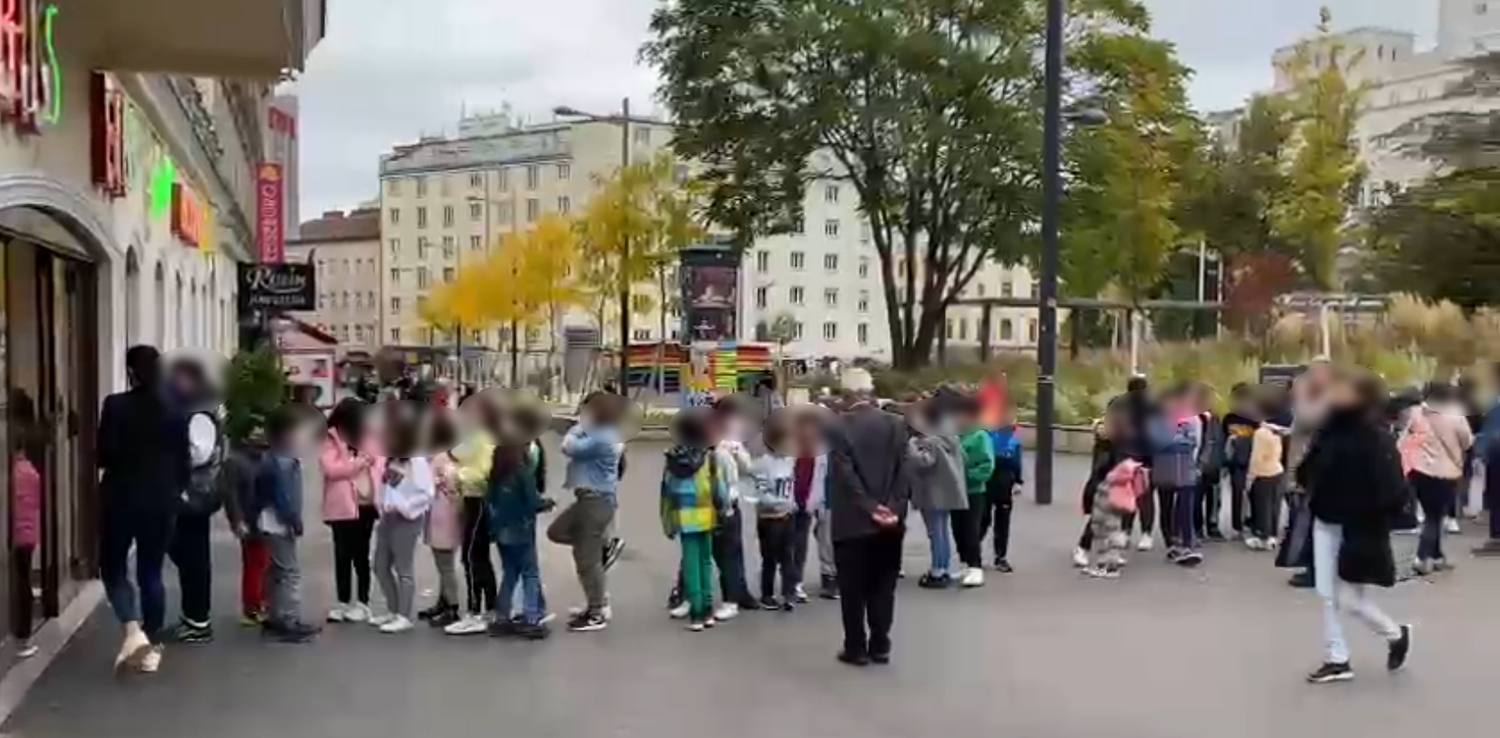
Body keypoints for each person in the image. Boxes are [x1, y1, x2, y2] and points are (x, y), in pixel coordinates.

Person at [1295, 369, 1412, 684]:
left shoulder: (1375, 437)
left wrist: (1371, 517)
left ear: (1361, 396)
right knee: (1327, 593)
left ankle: (1394, 632)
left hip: (1358, 528)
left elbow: (1393, 489)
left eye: (1343, 388)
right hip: (1325, 519)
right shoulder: (1329, 429)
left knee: (1348, 598)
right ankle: (1337, 657)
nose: (1335, 392)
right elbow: (1310, 466)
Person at [98, 346, 189, 674]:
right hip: (162, 500)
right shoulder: (176, 410)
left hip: (120, 497)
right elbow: (184, 462)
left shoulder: (116, 405)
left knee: (113, 567)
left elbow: (103, 454)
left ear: (131, 372)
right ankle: (151, 648)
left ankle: (132, 630)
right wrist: (175, 490)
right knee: (151, 571)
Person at [827, 389, 912, 666]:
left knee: (852, 591)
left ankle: (856, 647)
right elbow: (904, 470)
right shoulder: (896, 424)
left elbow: (844, 474)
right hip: (889, 525)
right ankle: (880, 644)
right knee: (883, 587)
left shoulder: (837, 427)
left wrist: (869, 506)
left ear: (848, 397)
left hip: (852, 523)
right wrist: (892, 508)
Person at [163, 358, 226, 645]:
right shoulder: (195, 410)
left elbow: (199, 453)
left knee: (192, 557)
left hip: (194, 495)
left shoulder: (199, 414)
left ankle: (198, 621)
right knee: (189, 556)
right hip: (191, 494)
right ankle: (194, 618)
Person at [551, 393, 626, 632]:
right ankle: (601, 548)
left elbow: (569, 447)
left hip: (595, 502)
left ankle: (596, 611)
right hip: (590, 500)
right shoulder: (603, 433)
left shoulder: (603, 436)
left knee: (587, 561)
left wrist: (577, 427)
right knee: (558, 532)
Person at [252, 407, 320, 643]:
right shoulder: (284, 461)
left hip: (267, 521)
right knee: (290, 572)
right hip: (279, 524)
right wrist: (294, 519)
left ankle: (274, 616)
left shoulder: (269, 457)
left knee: (276, 571)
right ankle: (289, 619)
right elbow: (283, 496)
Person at [370, 410, 436, 634]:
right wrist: (382, 504)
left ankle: (403, 615)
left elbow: (427, 492)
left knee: (403, 568)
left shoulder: (416, 460)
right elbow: (387, 486)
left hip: (406, 520)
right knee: (379, 565)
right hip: (387, 517)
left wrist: (404, 507)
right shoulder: (392, 457)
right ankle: (393, 609)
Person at [662, 414, 730, 631]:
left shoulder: (673, 459)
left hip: (684, 516)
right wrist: (724, 509)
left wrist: (667, 521)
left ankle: (697, 613)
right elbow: (720, 489)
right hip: (707, 514)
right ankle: (708, 610)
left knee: (690, 564)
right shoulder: (710, 458)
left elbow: (666, 492)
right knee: (705, 561)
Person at [321, 398, 381, 623]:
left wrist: (364, 460)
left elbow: (376, 460)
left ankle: (363, 603)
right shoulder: (331, 437)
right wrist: (357, 464)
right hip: (341, 504)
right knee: (342, 555)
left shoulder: (369, 436)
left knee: (361, 555)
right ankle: (343, 602)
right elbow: (331, 469)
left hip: (365, 504)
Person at [488, 440, 555, 639]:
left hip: (501, 529)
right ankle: (531, 618)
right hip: (522, 529)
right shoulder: (522, 472)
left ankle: (502, 617)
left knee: (509, 573)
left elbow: (489, 500)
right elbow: (532, 501)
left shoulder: (496, 473)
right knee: (530, 573)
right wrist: (547, 503)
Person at [444, 399, 499, 635]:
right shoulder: (476, 436)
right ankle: (490, 609)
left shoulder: (484, 438)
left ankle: (477, 612)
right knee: (478, 556)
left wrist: (457, 475)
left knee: (472, 557)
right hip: (471, 498)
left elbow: (484, 472)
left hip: (478, 499)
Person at [1407, 384, 1474, 575]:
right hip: (1445, 471)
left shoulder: (1416, 414)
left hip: (1418, 470)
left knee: (1431, 513)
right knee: (1434, 517)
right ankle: (1422, 557)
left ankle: (1436, 556)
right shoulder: (1455, 415)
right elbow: (1467, 441)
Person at [906, 400, 967, 589]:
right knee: (942, 532)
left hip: (931, 492)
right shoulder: (951, 436)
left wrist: (911, 446)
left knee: (935, 533)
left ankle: (937, 571)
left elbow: (924, 462)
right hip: (947, 491)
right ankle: (944, 567)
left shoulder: (929, 441)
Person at [219, 423, 268, 626]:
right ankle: (252, 607)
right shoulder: (235, 463)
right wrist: (237, 521)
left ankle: (260, 603)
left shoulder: (261, 459)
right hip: (251, 519)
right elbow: (230, 495)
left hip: (263, 519)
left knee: (262, 563)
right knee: (255, 564)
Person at [1153, 385, 1204, 567]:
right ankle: (1171, 544)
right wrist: (1181, 440)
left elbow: (1195, 442)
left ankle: (1187, 545)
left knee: (1185, 509)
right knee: (1166, 507)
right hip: (1163, 469)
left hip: (1186, 469)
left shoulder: (1192, 419)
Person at [949, 398, 995, 587]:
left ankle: (976, 567)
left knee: (970, 529)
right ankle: (966, 563)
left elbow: (987, 465)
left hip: (973, 491)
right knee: (957, 529)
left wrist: (966, 476)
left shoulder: (980, 436)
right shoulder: (954, 434)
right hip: (954, 490)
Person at [9, 396, 42, 658]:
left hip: (16, 532)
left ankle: (21, 635)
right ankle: (23, 637)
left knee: (19, 583)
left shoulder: (14, 472)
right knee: (22, 581)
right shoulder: (29, 470)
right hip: (27, 533)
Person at [1082, 456, 1149, 579]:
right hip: (1110, 506)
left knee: (1107, 536)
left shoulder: (1112, 477)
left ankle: (1109, 567)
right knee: (1110, 533)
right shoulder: (1123, 476)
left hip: (1106, 507)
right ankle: (1107, 564)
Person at [419, 451, 462, 627]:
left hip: (441, 515)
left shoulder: (439, 458)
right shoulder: (456, 457)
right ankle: (443, 602)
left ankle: (452, 606)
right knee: (446, 564)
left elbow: (426, 486)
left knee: (445, 565)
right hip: (451, 513)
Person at [1119, 376, 1159, 551]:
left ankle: (1126, 532)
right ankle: (1145, 534)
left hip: (1127, 458)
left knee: (1129, 498)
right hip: (1145, 459)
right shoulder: (1153, 408)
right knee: (1144, 498)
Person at [982, 410, 1023, 572]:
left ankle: (1001, 556)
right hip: (988, 482)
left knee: (1002, 522)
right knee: (983, 519)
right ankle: (973, 553)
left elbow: (1017, 462)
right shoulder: (990, 436)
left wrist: (1018, 481)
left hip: (1005, 484)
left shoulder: (1014, 440)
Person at [1244, 399, 1287, 550]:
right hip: (1277, 469)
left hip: (1263, 472)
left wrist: (1250, 476)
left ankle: (1262, 536)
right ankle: (1273, 535)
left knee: (1262, 506)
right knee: (1274, 505)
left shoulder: (1261, 433)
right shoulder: (1276, 431)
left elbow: (1257, 457)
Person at [1221, 384, 1259, 541]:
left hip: (1253, 461)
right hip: (1235, 462)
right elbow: (1223, 440)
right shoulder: (1229, 418)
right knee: (1238, 492)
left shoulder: (1255, 417)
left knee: (1254, 494)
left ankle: (1253, 523)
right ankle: (1238, 525)